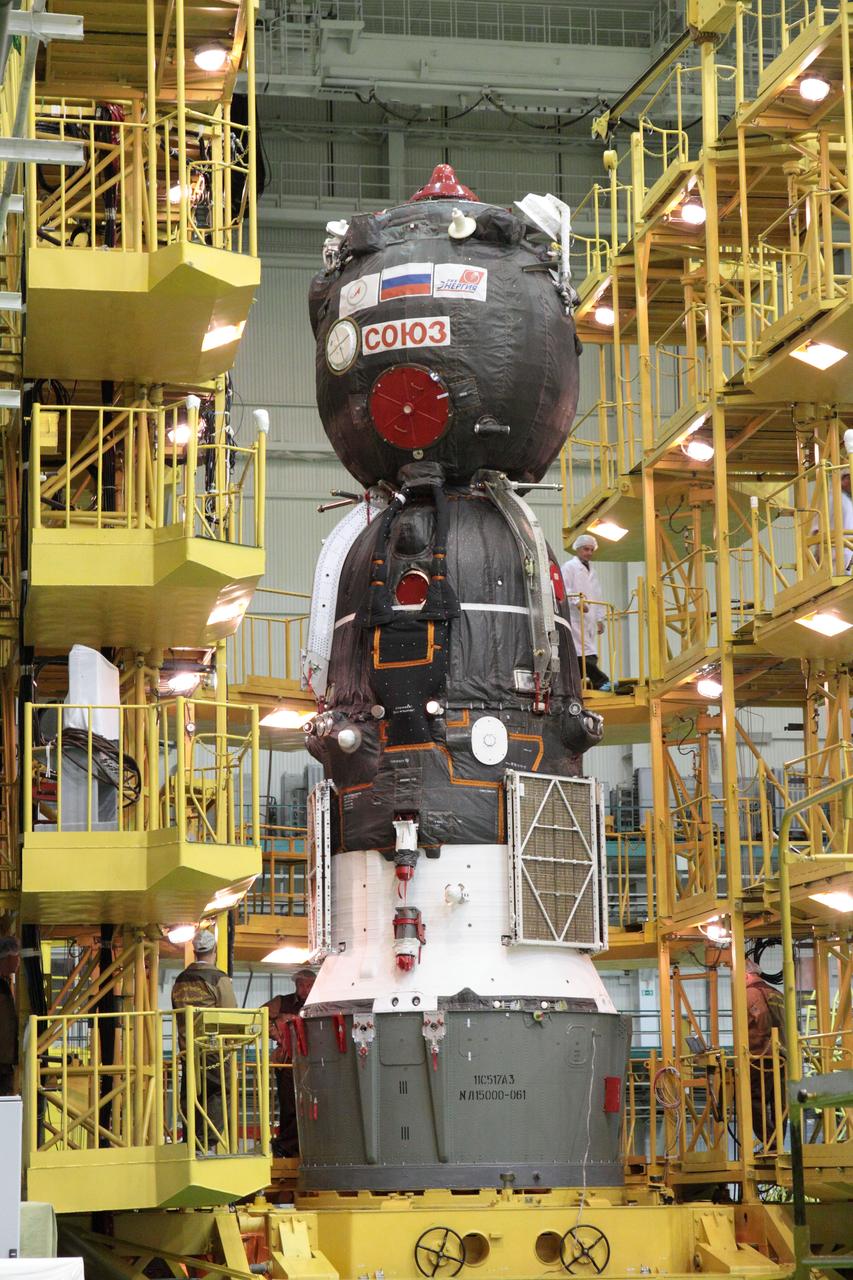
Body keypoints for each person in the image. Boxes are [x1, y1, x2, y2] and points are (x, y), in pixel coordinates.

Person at [171, 929, 236, 1146]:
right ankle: (207, 1141)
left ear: (194, 951)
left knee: (191, 1093)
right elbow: (230, 1015)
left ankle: (190, 1140)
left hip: (188, 1049)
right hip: (213, 1049)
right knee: (218, 1091)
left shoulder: (180, 980)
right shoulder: (218, 978)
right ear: (214, 950)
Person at [264, 967, 316, 1158]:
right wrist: (276, 1033)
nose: (305, 989)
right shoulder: (281, 1002)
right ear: (296, 985)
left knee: (309, 1106)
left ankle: (299, 1145)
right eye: (301, 985)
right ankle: (287, 1145)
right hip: (287, 1063)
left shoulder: (320, 1003)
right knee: (289, 1105)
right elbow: (259, 1016)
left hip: (313, 1064)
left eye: (309, 985)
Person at [745, 958, 787, 1145]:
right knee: (779, 1102)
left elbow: (760, 1016)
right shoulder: (776, 992)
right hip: (783, 1055)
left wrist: (760, 1042)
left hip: (761, 1055)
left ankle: (771, 1142)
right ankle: (777, 1143)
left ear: (746, 975)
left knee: (753, 1100)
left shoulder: (751, 993)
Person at [561, 533, 610, 690]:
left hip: (588, 621)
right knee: (587, 654)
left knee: (581, 655)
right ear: (578, 549)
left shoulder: (592, 571)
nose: (589, 552)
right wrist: (577, 602)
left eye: (591, 549)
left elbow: (597, 595)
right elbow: (563, 588)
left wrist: (600, 619)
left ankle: (575, 685)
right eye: (585, 549)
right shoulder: (569, 567)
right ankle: (601, 681)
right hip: (575, 617)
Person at [0, 936, 20, 1096]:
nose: (19, 961)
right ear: (8, 957)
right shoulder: (2, 987)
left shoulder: (5, 983)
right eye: (17, 956)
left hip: (5, 1060)